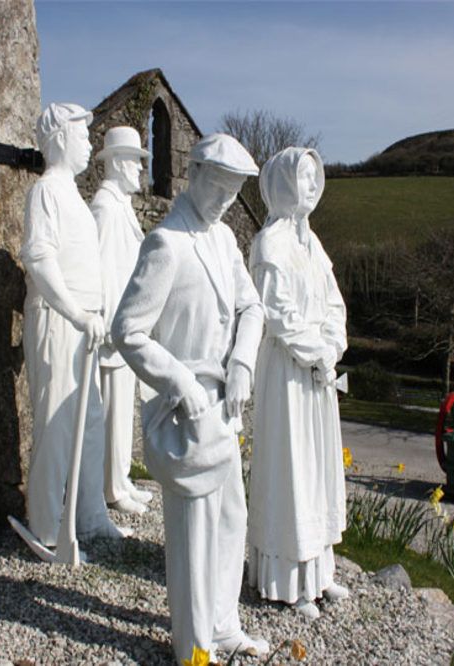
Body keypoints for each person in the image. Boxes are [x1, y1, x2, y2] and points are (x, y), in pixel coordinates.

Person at [112, 134, 268, 663]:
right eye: (219, 186)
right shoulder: (166, 243)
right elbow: (128, 331)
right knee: (193, 537)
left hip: (224, 410)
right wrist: (178, 383)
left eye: (234, 190)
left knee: (230, 520)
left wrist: (242, 362)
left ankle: (223, 626)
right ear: (194, 173)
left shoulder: (223, 239)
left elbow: (251, 308)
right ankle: (194, 647)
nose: (225, 199)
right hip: (187, 415)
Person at [21, 103, 129, 551]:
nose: (89, 144)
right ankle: (46, 524)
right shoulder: (45, 192)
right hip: (58, 319)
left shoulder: (74, 199)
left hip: (85, 325)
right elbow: (40, 259)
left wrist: (93, 316)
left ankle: (89, 515)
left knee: (90, 421)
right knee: (56, 424)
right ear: (61, 137)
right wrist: (75, 312)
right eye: (82, 135)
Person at [246, 147, 348, 619]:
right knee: (292, 468)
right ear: (283, 184)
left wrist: (331, 347)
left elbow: (333, 304)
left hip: (316, 375)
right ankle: (288, 579)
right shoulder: (269, 245)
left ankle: (320, 571)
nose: (310, 186)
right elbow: (277, 314)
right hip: (287, 372)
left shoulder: (314, 245)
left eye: (314, 177)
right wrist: (314, 352)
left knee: (318, 467)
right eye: (302, 177)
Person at [90, 126, 154, 516]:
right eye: (134, 161)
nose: (140, 170)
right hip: (114, 327)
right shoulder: (105, 207)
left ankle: (121, 477)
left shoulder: (122, 207)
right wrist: (111, 320)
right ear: (115, 163)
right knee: (111, 409)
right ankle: (111, 487)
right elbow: (100, 269)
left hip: (126, 325)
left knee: (122, 407)